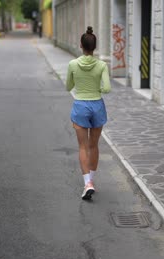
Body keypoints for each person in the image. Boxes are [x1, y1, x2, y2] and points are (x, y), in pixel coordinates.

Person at [66, 26, 111, 200]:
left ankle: (87, 184)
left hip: (80, 106)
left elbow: (68, 87)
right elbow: (106, 88)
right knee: (94, 145)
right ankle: (92, 180)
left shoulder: (72, 64)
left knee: (83, 147)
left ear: (80, 45)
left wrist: (78, 83)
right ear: (95, 47)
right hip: (97, 105)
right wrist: (97, 88)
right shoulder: (101, 65)